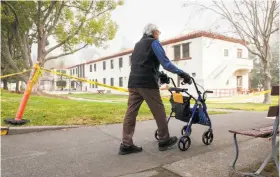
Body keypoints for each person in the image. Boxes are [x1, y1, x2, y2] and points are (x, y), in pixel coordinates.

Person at [119, 23, 192, 155]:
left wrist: (158, 74)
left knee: (131, 113)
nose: (159, 35)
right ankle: (164, 140)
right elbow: (166, 63)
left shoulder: (137, 45)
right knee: (159, 111)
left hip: (133, 82)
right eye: (158, 33)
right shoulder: (154, 43)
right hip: (147, 83)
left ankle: (126, 143)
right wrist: (182, 73)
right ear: (153, 32)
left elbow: (141, 64)